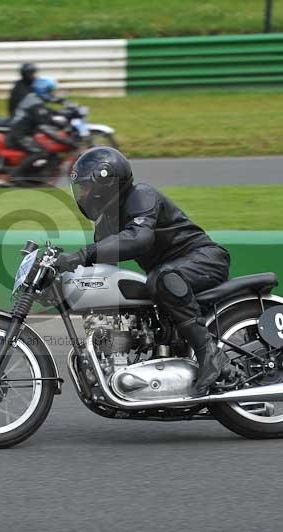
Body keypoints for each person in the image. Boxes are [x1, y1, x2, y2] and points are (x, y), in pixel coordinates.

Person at [55, 146, 231, 396]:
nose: (82, 194)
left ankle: (210, 354)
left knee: (161, 278)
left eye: (85, 187)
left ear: (105, 183)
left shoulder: (141, 195)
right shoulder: (105, 223)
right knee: (148, 291)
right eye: (79, 188)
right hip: (168, 274)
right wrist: (61, 283)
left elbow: (139, 238)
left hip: (204, 258)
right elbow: (101, 272)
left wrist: (83, 254)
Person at [6, 76, 75, 181]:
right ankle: (15, 176)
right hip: (19, 133)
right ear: (44, 90)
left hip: (27, 132)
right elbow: (44, 126)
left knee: (46, 148)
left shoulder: (36, 99)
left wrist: (62, 123)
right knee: (39, 152)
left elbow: (47, 115)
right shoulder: (35, 104)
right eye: (50, 91)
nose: (52, 93)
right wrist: (64, 140)